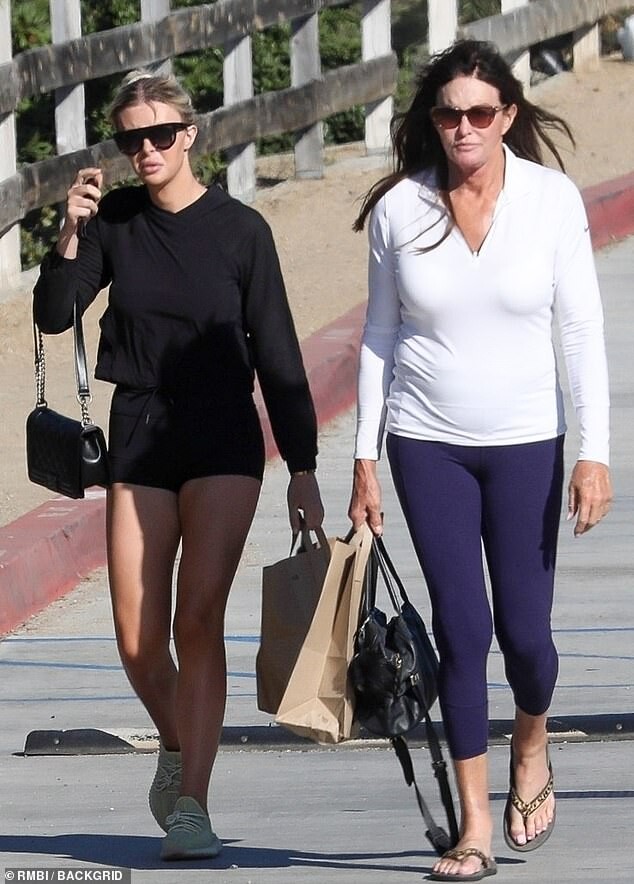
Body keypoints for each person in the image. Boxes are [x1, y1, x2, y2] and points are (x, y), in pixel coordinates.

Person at [33, 70, 324, 861]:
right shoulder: (115, 222)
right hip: (139, 430)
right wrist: (68, 233)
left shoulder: (241, 230)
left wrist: (302, 465)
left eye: (160, 133)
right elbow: (55, 314)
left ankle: (192, 802)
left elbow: (278, 351)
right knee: (137, 639)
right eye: (131, 138)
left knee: (196, 619)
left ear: (189, 135)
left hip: (223, 433)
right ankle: (176, 741)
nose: (147, 149)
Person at [348, 40, 612, 882]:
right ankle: (473, 827)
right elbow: (379, 335)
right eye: (448, 114)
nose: (463, 127)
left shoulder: (550, 200)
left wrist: (595, 453)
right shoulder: (400, 210)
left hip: (528, 443)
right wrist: (364, 455)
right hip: (427, 444)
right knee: (462, 631)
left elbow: (581, 330)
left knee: (525, 636)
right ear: (432, 121)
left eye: (479, 113)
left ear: (508, 116)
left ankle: (531, 745)